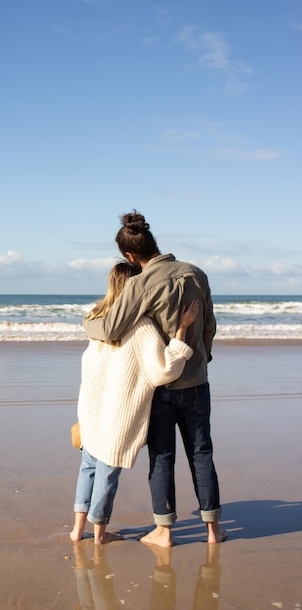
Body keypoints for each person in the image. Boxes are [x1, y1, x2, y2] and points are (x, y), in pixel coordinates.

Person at [83, 211, 227, 547]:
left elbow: (110, 328)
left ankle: (163, 531)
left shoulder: (140, 283)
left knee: (162, 456)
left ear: (130, 256)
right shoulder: (196, 273)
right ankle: (213, 530)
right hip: (197, 381)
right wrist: (203, 357)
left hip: (160, 386)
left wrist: (86, 323)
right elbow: (209, 326)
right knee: (202, 453)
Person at [71, 261, 198, 545]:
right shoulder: (140, 325)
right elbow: (163, 370)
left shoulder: (98, 318)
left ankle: (77, 530)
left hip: (91, 408)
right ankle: (99, 535)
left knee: (88, 468)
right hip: (116, 414)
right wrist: (181, 332)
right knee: (107, 474)